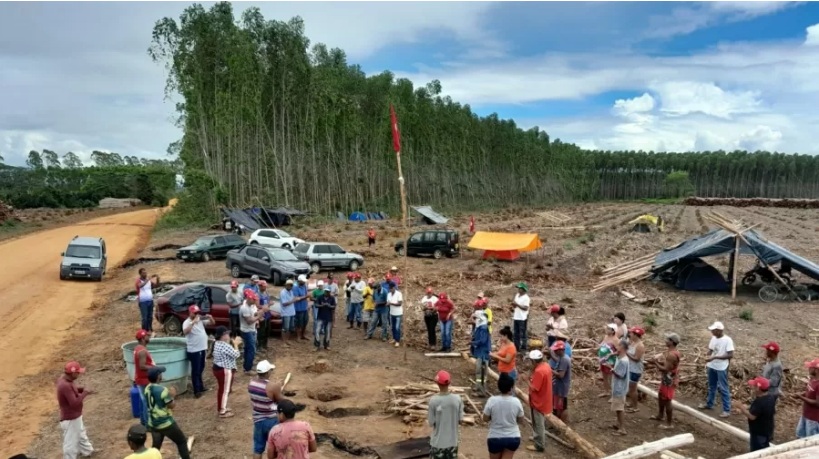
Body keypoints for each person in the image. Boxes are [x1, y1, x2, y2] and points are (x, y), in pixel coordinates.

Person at [144, 367, 190, 459]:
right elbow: (171, 405)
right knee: (181, 441)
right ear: (158, 377)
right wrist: (173, 395)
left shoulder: (147, 388)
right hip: (165, 423)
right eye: (160, 373)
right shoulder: (162, 390)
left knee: (156, 448)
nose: (162, 375)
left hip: (153, 423)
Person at [57, 361, 95, 458]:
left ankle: (88, 451)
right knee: (70, 443)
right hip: (70, 418)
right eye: (78, 372)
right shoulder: (65, 385)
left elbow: (73, 389)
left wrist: (82, 389)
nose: (79, 374)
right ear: (73, 373)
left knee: (81, 434)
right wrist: (85, 392)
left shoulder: (66, 380)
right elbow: (74, 403)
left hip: (75, 416)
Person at [482, 373, 524, 459]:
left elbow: (485, 418)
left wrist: (492, 417)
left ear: (499, 387)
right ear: (511, 388)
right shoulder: (516, 402)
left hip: (495, 437)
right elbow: (521, 420)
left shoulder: (492, 400)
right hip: (513, 437)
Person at [699, 321, 734, 418]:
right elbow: (711, 349)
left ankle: (727, 410)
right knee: (711, 386)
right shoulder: (713, 338)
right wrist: (707, 355)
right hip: (712, 365)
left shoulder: (728, 340)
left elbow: (730, 354)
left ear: (719, 330)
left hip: (721, 367)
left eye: (713, 330)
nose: (712, 332)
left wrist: (714, 357)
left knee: (723, 388)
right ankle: (709, 404)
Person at [250, 360, 284, 459]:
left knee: (258, 449)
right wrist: (278, 388)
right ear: (268, 372)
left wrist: (277, 386)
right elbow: (280, 401)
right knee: (274, 447)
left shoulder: (251, 383)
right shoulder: (272, 386)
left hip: (258, 420)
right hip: (272, 420)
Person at [428, 370, 464, 459]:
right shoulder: (457, 399)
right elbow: (461, 420)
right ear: (449, 383)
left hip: (438, 444)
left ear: (437, 383)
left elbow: (431, 422)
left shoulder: (433, 400)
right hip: (453, 443)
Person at [182, 305, 214, 398]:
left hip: (202, 348)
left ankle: (200, 386)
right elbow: (185, 332)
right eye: (195, 313)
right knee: (195, 370)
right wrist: (193, 322)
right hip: (194, 350)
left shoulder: (200, 320)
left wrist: (210, 317)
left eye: (197, 312)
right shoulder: (187, 322)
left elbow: (212, 323)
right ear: (190, 312)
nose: (197, 314)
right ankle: (196, 390)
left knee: (201, 368)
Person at [650, 333, 681, 429]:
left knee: (667, 400)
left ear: (672, 342)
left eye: (667, 339)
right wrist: (658, 362)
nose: (665, 341)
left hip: (669, 380)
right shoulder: (672, 352)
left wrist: (655, 362)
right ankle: (660, 415)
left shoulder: (671, 354)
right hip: (667, 378)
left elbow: (665, 369)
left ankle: (669, 424)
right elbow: (667, 365)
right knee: (661, 396)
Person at [738, 377, 776, 452]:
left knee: (757, 452)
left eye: (754, 386)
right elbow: (760, 409)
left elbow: (752, 417)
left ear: (758, 388)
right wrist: (748, 407)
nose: (752, 387)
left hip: (759, 433)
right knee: (765, 449)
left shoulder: (760, 401)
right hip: (767, 430)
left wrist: (741, 407)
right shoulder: (770, 397)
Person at [527, 350, 553, 453]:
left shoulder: (539, 371)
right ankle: (536, 436)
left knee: (539, 423)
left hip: (539, 401)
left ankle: (539, 445)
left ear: (533, 361)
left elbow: (534, 388)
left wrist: (526, 380)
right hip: (544, 398)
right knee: (536, 421)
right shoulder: (546, 366)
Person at [212, 325, 240, 418]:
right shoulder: (224, 345)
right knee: (224, 391)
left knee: (222, 390)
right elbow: (236, 354)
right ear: (222, 335)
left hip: (217, 368)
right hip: (224, 369)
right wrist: (235, 344)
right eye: (226, 333)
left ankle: (221, 407)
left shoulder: (217, 343)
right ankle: (222, 411)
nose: (228, 335)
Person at [133, 329, 156, 427]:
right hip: (144, 380)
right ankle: (147, 424)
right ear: (143, 338)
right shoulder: (142, 351)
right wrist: (155, 368)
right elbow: (142, 366)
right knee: (147, 403)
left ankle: (143, 422)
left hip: (140, 379)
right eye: (147, 336)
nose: (148, 337)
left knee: (143, 402)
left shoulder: (138, 348)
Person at [241, 290, 265, 373]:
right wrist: (259, 316)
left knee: (249, 349)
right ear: (248, 298)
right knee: (251, 349)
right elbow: (249, 321)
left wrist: (259, 314)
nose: (255, 301)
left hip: (252, 329)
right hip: (247, 331)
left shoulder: (251, 305)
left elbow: (254, 315)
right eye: (253, 299)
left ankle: (248, 365)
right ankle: (248, 368)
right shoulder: (244, 307)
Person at [611, 339, 630, 435]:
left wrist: (612, 370)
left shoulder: (623, 361)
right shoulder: (622, 357)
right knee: (617, 407)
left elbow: (621, 375)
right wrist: (612, 354)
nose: (616, 347)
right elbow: (616, 354)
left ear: (622, 347)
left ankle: (622, 428)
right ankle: (618, 424)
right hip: (618, 387)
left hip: (620, 388)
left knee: (619, 408)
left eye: (618, 346)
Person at [549, 340, 572, 422]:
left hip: (562, 387)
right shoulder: (561, 357)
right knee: (558, 405)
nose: (554, 351)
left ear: (560, 350)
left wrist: (550, 370)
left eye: (556, 350)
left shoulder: (565, 360)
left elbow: (561, 375)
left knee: (561, 406)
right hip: (558, 386)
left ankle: (561, 423)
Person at [797, 357, 819, 438]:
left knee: (810, 441)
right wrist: (800, 394)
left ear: (816, 370)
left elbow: (817, 403)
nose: (808, 368)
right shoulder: (812, 380)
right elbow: (809, 391)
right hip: (805, 414)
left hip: (813, 419)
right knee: (800, 436)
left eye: (810, 367)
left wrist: (801, 397)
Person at [625, 327, 646, 413]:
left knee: (633, 389)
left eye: (631, 333)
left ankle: (635, 407)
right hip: (630, 368)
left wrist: (626, 353)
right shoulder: (633, 343)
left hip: (635, 370)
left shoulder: (640, 346)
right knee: (631, 388)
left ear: (636, 335)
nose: (630, 335)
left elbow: (637, 358)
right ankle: (632, 403)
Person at [470, 310, 491, 394]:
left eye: (476, 318)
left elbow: (482, 341)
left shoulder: (483, 329)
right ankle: (478, 386)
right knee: (478, 371)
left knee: (482, 372)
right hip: (479, 352)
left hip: (483, 354)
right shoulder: (480, 328)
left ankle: (482, 390)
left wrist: (473, 342)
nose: (475, 320)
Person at [597, 324, 618, 398]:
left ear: (613, 331)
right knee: (604, 376)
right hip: (603, 359)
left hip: (611, 361)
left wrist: (611, 354)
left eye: (608, 329)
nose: (606, 329)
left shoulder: (615, 340)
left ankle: (613, 395)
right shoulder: (606, 337)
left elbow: (619, 351)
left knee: (611, 378)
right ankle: (606, 391)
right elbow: (602, 344)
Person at [135, 268, 160, 333]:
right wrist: (147, 280)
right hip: (143, 302)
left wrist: (158, 279)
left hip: (150, 301)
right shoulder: (139, 281)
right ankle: (144, 330)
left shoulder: (148, 281)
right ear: (140, 274)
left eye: (146, 272)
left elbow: (156, 286)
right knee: (144, 317)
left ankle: (150, 328)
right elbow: (140, 286)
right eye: (143, 273)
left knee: (150, 316)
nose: (145, 274)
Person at [314, 286, 337, 351]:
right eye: (326, 291)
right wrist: (322, 305)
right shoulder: (320, 297)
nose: (327, 292)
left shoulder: (332, 298)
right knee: (317, 331)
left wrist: (329, 306)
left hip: (328, 317)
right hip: (320, 316)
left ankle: (326, 345)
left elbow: (334, 306)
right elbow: (316, 305)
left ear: (330, 292)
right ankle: (317, 345)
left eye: (328, 291)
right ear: (324, 291)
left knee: (327, 332)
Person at [511, 282, 530, 352]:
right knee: (516, 333)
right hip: (516, 316)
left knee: (523, 333)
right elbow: (516, 305)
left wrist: (517, 304)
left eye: (519, 288)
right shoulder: (517, 295)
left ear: (523, 289)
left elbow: (526, 308)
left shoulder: (526, 298)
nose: (518, 289)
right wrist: (514, 305)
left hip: (522, 318)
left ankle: (524, 347)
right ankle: (516, 347)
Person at [279, 280, 297, 345]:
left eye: (291, 285)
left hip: (291, 312)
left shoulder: (291, 292)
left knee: (290, 327)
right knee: (285, 328)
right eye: (289, 285)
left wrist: (293, 300)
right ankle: (284, 342)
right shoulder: (283, 292)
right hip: (286, 312)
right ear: (286, 285)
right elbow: (284, 303)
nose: (290, 286)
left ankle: (287, 340)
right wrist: (293, 300)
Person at [293, 275, 311, 340]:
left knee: (305, 321)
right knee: (299, 323)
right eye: (303, 281)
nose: (304, 282)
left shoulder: (305, 286)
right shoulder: (295, 288)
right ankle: (298, 336)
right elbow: (297, 298)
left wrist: (307, 303)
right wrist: (306, 296)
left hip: (304, 307)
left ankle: (302, 335)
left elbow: (307, 296)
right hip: (298, 308)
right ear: (299, 281)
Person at [387, 282, 404, 347]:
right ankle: (394, 338)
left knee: (397, 328)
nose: (390, 290)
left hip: (398, 313)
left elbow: (399, 303)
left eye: (391, 288)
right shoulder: (388, 294)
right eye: (389, 289)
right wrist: (388, 304)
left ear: (394, 288)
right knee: (393, 327)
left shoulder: (399, 294)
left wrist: (391, 303)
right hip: (392, 313)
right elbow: (388, 302)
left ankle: (397, 341)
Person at [258, 280, 272, 351]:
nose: (265, 287)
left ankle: (265, 344)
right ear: (260, 286)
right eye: (263, 286)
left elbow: (268, 301)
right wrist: (264, 307)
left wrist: (269, 304)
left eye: (265, 286)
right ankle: (260, 346)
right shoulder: (257, 294)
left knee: (267, 330)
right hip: (262, 314)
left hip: (267, 314)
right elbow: (257, 305)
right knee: (261, 330)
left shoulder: (266, 292)